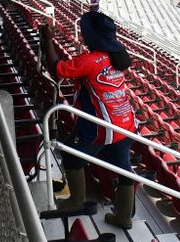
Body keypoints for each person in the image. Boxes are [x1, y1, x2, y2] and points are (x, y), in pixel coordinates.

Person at [40, 12, 136, 229]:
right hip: (125, 123)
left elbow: (56, 70)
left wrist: (47, 39)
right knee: (123, 168)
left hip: (101, 127)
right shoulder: (118, 54)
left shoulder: (90, 61)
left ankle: (76, 201)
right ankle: (123, 216)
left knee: (71, 156)